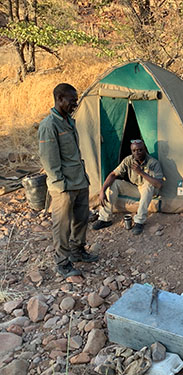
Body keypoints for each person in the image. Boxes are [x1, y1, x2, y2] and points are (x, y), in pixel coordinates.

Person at [39, 83, 97, 278]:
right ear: (60, 99)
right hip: (63, 186)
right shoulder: (49, 125)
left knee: (81, 219)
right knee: (62, 225)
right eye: (72, 100)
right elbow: (49, 159)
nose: (75, 104)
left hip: (79, 181)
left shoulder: (69, 121)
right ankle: (62, 262)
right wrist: (60, 185)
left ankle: (77, 251)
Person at [92, 140, 163, 235]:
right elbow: (113, 174)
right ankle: (104, 219)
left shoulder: (153, 163)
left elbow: (159, 184)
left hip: (149, 190)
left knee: (148, 185)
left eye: (140, 150)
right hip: (136, 188)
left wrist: (140, 172)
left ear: (145, 150)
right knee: (114, 183)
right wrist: (102, 191)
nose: (137, 153)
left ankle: (139, 221)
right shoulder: (128, 160)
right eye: (134, 151)